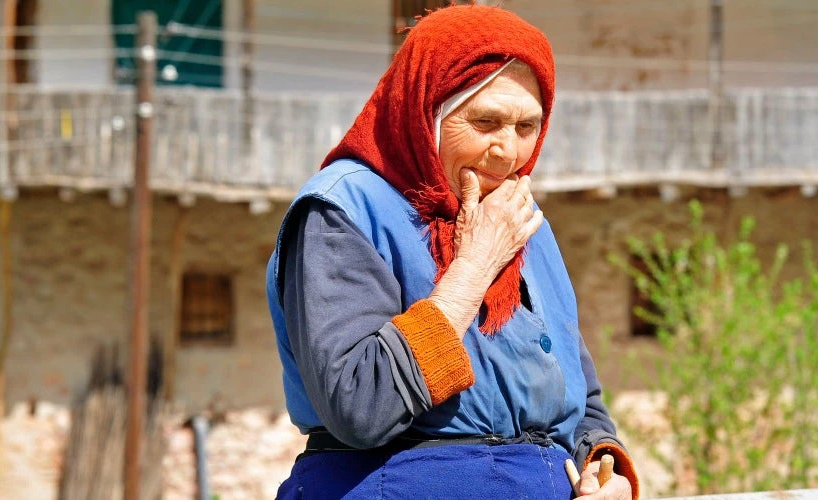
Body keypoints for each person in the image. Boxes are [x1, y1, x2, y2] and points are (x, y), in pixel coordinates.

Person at [266, 5, 639, 499]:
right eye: (486, 122)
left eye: (527, 127)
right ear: (427, 111)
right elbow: (358, 404)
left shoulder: (522, 224)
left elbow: (578, 394)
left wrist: (601, 463)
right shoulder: (344, 212)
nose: (508, 151)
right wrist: (474, 267)